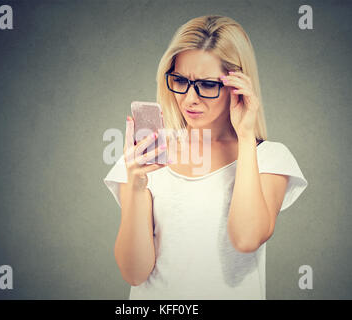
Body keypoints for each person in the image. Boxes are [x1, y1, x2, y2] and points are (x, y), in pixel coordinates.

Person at [103, 15, 308, 300]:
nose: (189, 99)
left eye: (207, 85)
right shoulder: (145, 156)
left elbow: (246, 239)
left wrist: (246, 136)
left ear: (237, 85)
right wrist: (136, 184)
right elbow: (135, 273)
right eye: (180, 81)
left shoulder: (270, 158)